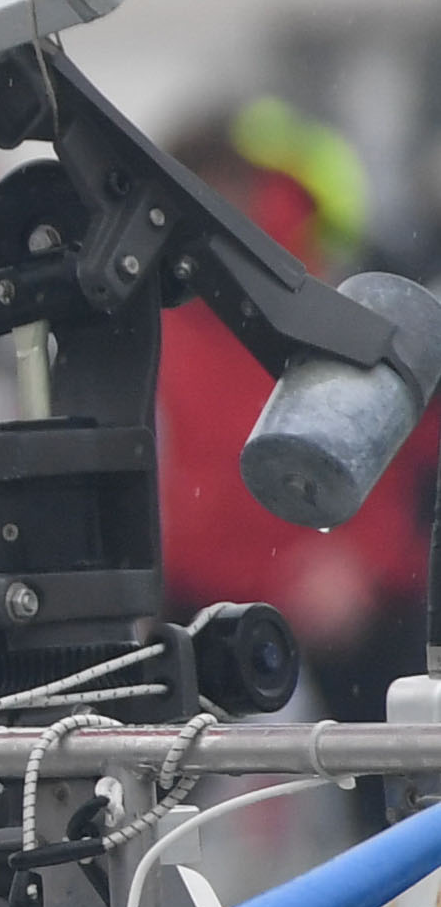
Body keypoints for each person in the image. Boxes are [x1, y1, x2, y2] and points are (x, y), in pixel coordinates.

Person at [158, 96, 435, 728]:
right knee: (139, 768)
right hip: (210, 584)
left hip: (343, 581)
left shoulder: (340, 293)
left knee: (400, 766)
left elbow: (412, 444)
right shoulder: (166, 304)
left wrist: (362, 559)